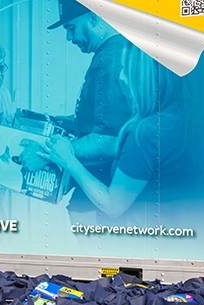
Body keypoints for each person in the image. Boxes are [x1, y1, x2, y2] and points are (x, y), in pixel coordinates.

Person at [37, 47, 192, 219]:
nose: (122, 77)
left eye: (127, 69)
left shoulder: (145, 133)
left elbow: (113, 205)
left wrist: (69, 160)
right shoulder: (178, 120)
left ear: (143, 76)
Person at [19, 0, 134, 214]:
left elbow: (109, 140)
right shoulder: (108, 54)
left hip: (100, 200)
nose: (69, 38)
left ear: (93, 16)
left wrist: (47, 152)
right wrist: (49, 121)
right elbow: (96, 122)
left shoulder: (111, 61)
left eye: (71, 28)